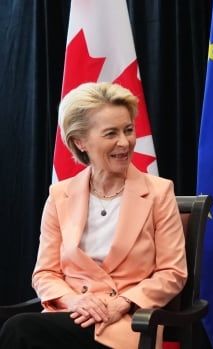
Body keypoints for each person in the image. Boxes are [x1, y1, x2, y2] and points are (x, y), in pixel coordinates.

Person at [0, 82, 187, 348]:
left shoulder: (158, 192)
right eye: (111, 133)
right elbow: (45, 273)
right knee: (20, 329)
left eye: (129, 130)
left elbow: (172, 272)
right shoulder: (59, 195)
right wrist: (75, 300)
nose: (124, 142)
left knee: (20, 330)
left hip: (126, 323)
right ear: (80, 142)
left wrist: (121, 304)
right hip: (71, 316)